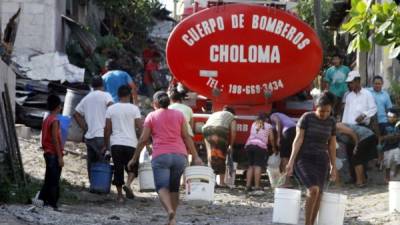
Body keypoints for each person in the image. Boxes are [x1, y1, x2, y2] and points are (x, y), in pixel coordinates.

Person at [128, 91, 203, 225]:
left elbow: (143, 139)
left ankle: (169, 211)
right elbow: (186, 136)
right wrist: (196, 156)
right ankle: (173, 219)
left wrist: (134, 158)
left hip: (161, 156)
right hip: (180, 156)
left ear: (155, 103)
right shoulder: (179, 115)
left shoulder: (151, 116)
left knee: (162, 186)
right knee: (174, 187)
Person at [286, 91, 337, 225]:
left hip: (322, 160)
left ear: (331, 108)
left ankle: (311, 223)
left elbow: (331, 145)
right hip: (304, 158)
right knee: (313, 190)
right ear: (316, 107)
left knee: (319, 194)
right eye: (321, 111)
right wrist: (291, 162)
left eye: (327, 111)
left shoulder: (332, 121)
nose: (324, 114)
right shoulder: (306, 118)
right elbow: (298, 140)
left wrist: (333, 166)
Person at [104, 85, 142, 202]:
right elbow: (140, 127)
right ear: (129, 95)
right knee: (132, 166)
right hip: (131, 143)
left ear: (118, 95)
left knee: (118, 168)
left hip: (116, 143)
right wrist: (143, 141)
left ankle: (120, 196)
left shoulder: (111, 109)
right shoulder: (134, 109)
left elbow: (107, 130)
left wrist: (107, 146)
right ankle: (129, 184)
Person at [74, 76, 113, 183]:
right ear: (102, 85)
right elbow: (112, 107)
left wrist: (85, 127)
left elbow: (76, 114)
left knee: (91, 162)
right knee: (103, 161)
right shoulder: (106, 95)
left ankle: (93, 184)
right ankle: (101, 185)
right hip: (102, 135)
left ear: (92, 86)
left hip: (89, 136)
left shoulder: (87, 98)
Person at [38, 94, 64, 210]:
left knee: (48, 178)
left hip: (47, 152)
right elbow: (55, 139)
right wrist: (60, 157)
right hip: (53, 153)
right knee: (54, 180)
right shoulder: (55, 120)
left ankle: (42, 200)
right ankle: (52, 203)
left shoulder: (47, 119)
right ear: (58, 106)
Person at [202, 106, 236, 187]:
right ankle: (221, 182)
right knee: (220, 155)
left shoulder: (215, 114)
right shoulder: (231, 116)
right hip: (219, 130)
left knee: (211, 155)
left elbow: (206, 124)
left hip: (206, 130)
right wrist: (231, 145)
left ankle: (211, 181)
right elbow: (233, 131)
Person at [336, 123, 377, 187]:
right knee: (358, 159)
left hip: (366, 136)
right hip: (365, 137)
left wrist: (356, 145)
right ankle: (362, 179)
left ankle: (359, 182)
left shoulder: (337, 126)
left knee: (356, 159)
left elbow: (352, 133)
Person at [244, 112, 276, 192]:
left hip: (249, 145)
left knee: (251, 166)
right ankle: (257, 186)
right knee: (258, 166)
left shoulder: (254, 124)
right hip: (260, 147)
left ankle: (248, 186)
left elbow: (251, 135)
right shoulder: (268, 126)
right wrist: (273, 147)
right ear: (267, 119)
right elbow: (271, 138)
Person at [380, 110, 400, 183]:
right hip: (386, 147)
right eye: (389, 117)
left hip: (397, 146)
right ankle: (387, 177)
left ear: (397, 118)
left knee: (398, 161)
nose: (391, 119)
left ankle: (395, 175)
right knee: (387, 164)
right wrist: (386, 137)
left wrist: (396, 136)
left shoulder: (398, 125)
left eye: (393, 117)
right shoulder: (383, 125)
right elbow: (380, 137)